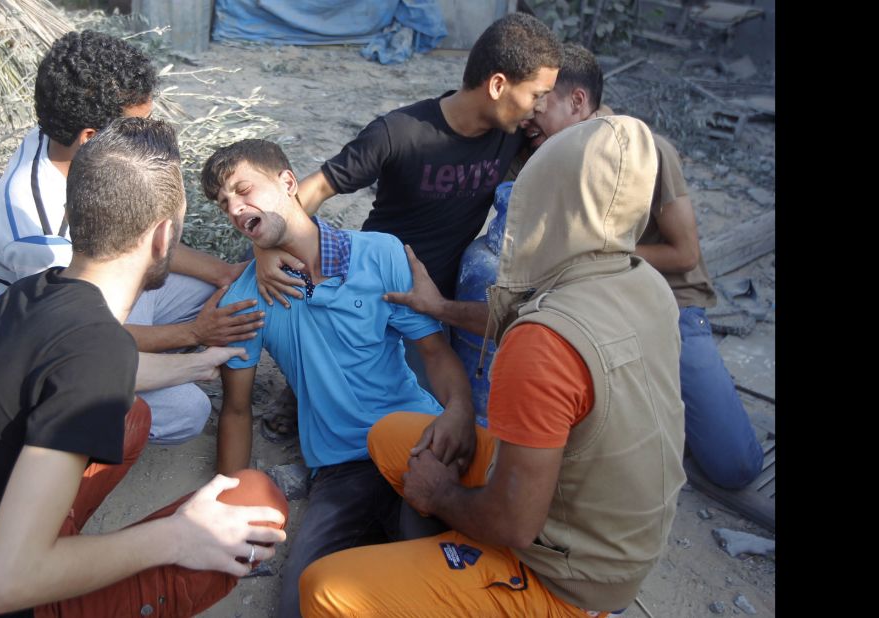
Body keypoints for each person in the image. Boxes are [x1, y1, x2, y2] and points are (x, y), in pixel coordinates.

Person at [0, 117, 288, 618]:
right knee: (258, 501)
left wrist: (199, 366)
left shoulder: (37, 291)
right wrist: (177, 536)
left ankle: (57, 541)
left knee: (133, 416)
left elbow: (90, 369)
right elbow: (3, 584)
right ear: (164, 236)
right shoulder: (93, 354)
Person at [300, 115, 686, 618]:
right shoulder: (640, 281)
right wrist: (438, 309)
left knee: (324, 587)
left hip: (565, 579)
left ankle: (488, 582)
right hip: (607, 533)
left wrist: (440, 495)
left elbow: (513, 524)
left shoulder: (543, 343)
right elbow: (515, 317)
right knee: (391, 435)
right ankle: (453, 555)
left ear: (548, 201)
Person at [394, 43, 764, 489]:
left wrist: (586, 256)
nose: (529, 117)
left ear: (577, 102)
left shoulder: (645, 151)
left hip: (666, 307)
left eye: (540, 104)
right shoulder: (539, 148)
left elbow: (685, 255)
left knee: (735, 466)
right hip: (576, 306)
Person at [250, 11, 564, 437]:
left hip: (435, 298)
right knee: (349, 397)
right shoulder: (399, 133)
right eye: (536, 95)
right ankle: (304, 386)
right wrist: (265, 248)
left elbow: (584, 122)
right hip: (373, 286)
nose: (541, 107)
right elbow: (316, 188)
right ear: (497, 86)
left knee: (424, 405)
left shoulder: (514, 131)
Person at [200, 138, 478, 618]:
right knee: (302, 601)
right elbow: (237, 410)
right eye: (225, 203)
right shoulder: (244, 301)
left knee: (438, 571)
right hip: (341, 467)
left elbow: (434, 352)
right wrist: (230, 512)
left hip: (418, 436)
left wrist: (457, 412)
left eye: (243, 190)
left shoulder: (381, 255)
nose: (234, 208)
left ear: (289, 183)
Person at [0, 29, 263, 447]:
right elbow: (79, 335)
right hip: (38, 348)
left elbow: (136, 235)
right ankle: (72, 445)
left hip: (81, 299)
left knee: (207, 291)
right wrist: (195, 335)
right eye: (136, 128)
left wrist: (226, 273)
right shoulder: (40, 232)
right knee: (187, 411)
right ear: (91, 137)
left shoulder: (65, 145)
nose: (146, 138)